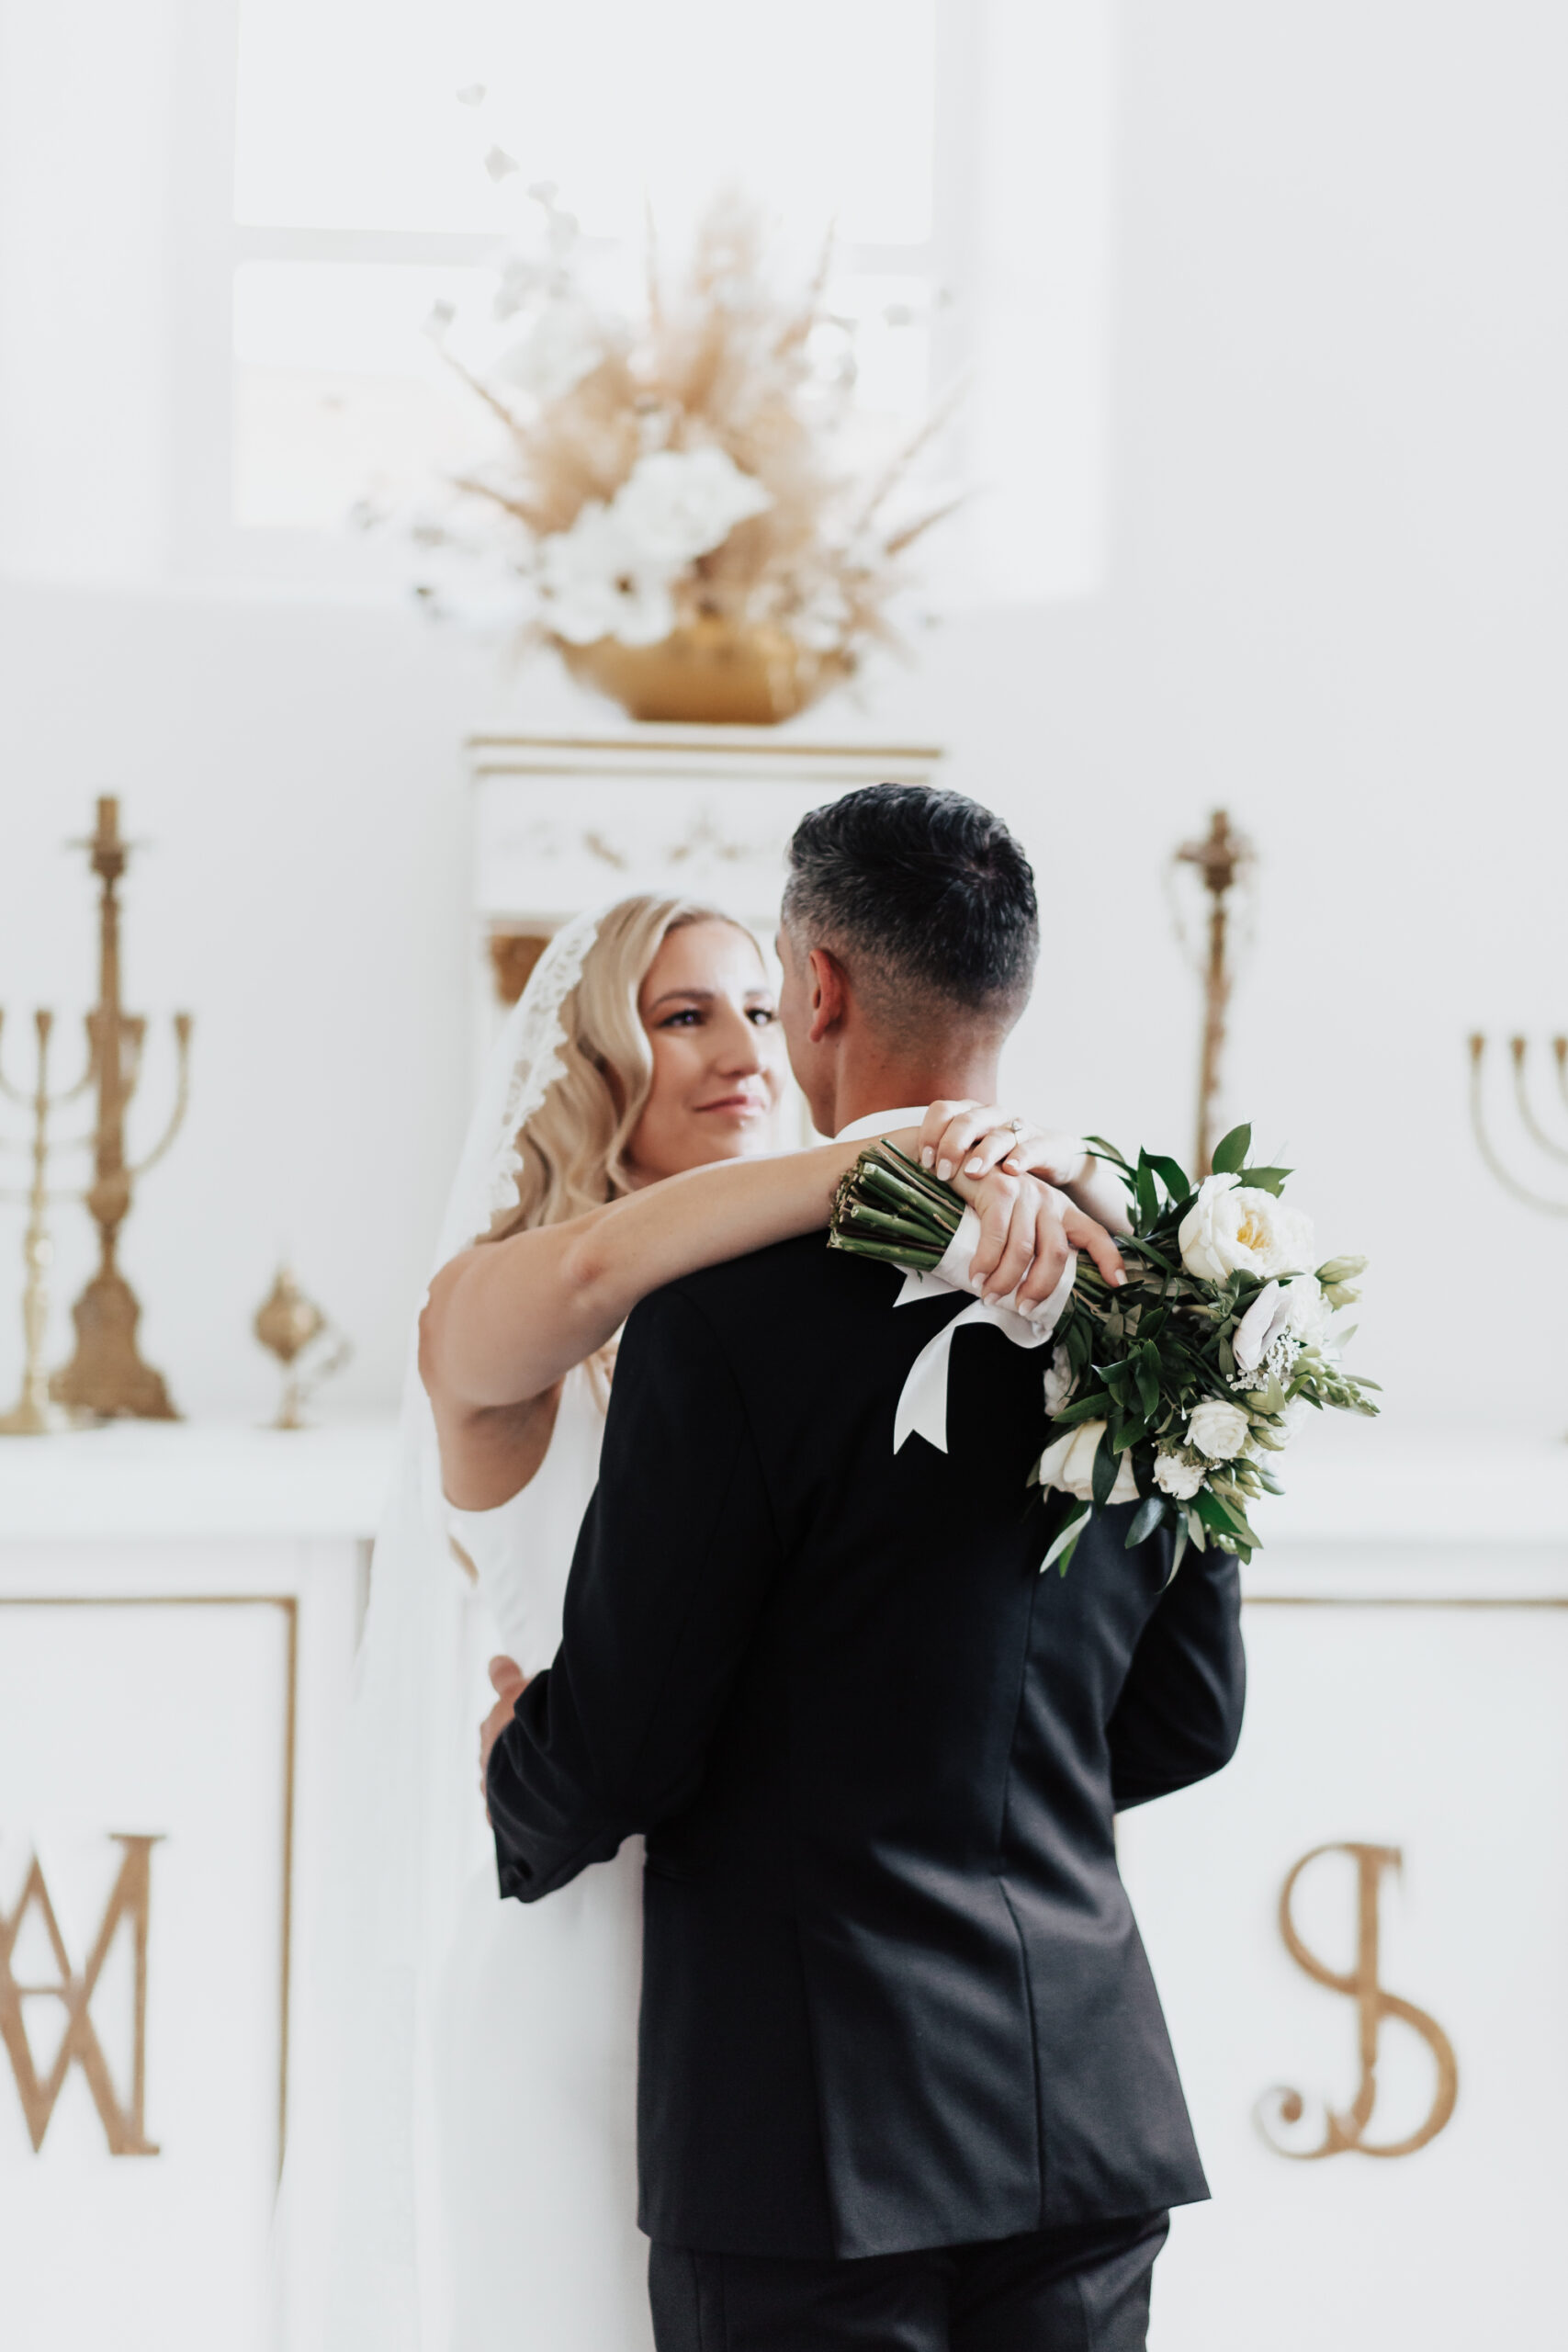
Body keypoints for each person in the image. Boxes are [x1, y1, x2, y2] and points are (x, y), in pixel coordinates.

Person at [274, 882, 1124, 2352]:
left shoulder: (821, 1313)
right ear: (595, 1063)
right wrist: (898, 1150)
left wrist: (1052, 1174)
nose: (745, 1046)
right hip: (588, 1944)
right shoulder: (485, 1312)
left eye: (755, 1004)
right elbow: (608, 1263)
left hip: (812, 1975)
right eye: (682, 1016)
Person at [482, 786, 1247, 2352]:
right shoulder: (1164, 1308)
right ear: (1009, 989)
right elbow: (1190, 1717)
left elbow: (629, 1729)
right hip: (1083, 2115)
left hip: (808, 2131)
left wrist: (517, 1780)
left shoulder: (726, 1312)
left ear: (817, 985)